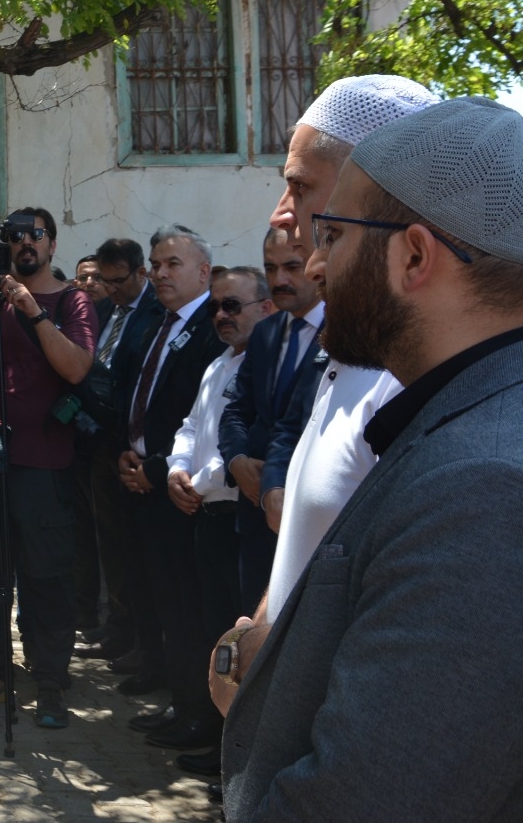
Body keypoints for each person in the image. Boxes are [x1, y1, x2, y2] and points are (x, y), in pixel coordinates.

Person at [221, 97, 523, 821]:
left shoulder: (481, 485)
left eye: (333, 234)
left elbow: (362, 799)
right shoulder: (465, 419)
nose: (313, 262)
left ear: (414, 256)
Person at [208, 76, 438, 719]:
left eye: (301, 186)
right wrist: (254, 639)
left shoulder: (415, 379)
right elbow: (307, 544)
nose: (282, 213)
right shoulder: (350, 347)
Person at [0, 207, 98, 730]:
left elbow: (76, 367)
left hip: (44, 463)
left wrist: (32, 310)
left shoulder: (71, 301)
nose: (24, 242)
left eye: (35, 234)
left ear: (52, 244)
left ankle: (51, 681)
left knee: (46, 576)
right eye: (15, 236)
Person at [146, 266, 274, 779]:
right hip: (204, 514)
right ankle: (210, 732)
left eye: (232, 305)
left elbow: (245, 443)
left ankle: (237, 759)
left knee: (240, 640)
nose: (221, 315)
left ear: (265, 307)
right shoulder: (219, 363)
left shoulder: (264, 367)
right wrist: (175, 471)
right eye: (217, 306)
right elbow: (192, 426)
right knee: (209, 630)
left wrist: (194, 483)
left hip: (237, 516)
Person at [114, 226, 225, 753]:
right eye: (155, 264)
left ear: (203, 271)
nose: (160, 273)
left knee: (186, 608)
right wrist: (127, 450)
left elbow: (198, 420)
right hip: (139, 475)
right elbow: (135, 393)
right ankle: (177, 699)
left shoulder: (211, 327)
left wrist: (155, 468)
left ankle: (197, 714)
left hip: (180, 488)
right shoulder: (155, 322)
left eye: (172, 264)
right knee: (157, 599)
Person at [215, 229, 324, 615]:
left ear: (317, 264)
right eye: (271, 268)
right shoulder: (266, 333)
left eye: (292, 267)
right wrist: (238, 462)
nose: (280, 280)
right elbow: (236, 410)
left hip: (309, 510)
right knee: (253, 625)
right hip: (255, 511)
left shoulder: (343, 334)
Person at [73, 237, 165, 669]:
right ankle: (118, 626)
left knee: (137, 546)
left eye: (117, 281)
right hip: (100, 443)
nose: (110, 289)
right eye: (105, 281)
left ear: (140, 272)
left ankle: (144, 638)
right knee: (109, 539)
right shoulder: (105, 310)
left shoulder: (157, 313)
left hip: (137, 447)